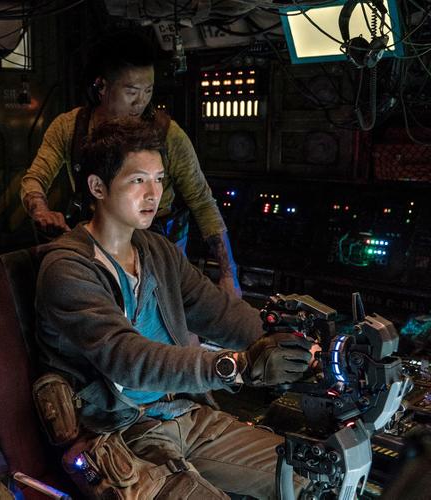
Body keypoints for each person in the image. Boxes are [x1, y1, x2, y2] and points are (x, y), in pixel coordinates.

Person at [34, 119, 316, 499]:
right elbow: (127, 358)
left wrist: (297, 346)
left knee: (309, 480)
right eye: (138, 180)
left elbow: (219, 313)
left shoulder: (157, 250)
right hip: (124, 432)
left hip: (186, 413)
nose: (153, 193)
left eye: (159, 179)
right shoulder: (68, 268)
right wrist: (237, 365)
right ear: (98, 187)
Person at [21, 31, 241, 296]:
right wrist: (41, 211)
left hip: (160, 245)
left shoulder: (168, 135)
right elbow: (35, 178)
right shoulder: (69, 128)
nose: (141, 102)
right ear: (101, 86)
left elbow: (202, 202)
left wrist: (228, 275)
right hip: (100, 241)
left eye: (148, 91)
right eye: (131, 92)